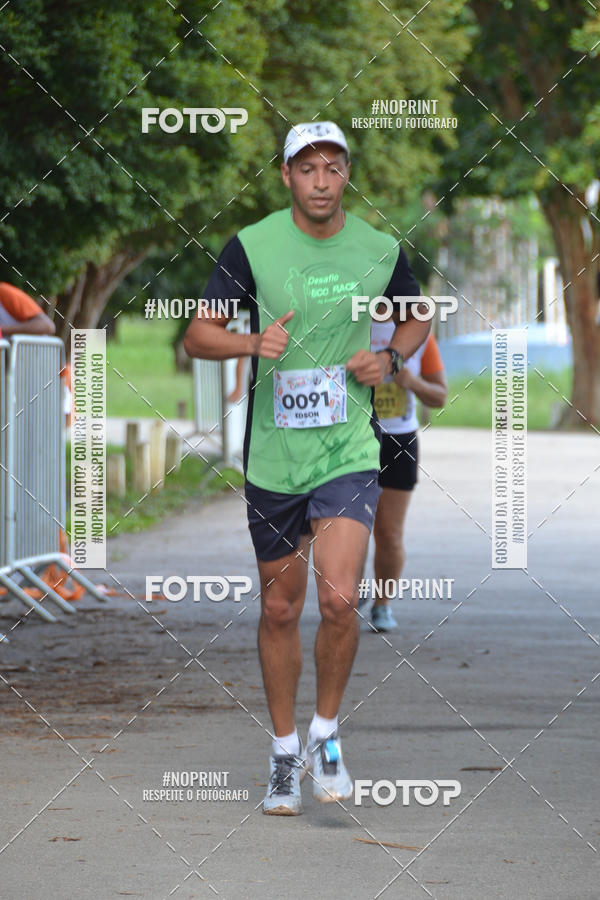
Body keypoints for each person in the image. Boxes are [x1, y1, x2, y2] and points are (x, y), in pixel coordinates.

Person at [184, 121, 430, 816]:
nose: (321, 181)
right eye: (307, 168)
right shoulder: (254, 245)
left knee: (340, 600)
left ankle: (327, 733)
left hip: (349, 447)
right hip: (273, 456)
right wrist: (248, 340)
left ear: (347, 173)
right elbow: (197, 334)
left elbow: (417, 316)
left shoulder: (379, 248)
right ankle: (284, 752)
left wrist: (390, 359)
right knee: (279, 607)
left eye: (333, 167)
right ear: (286, 175)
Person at [367, 328, 447, 632]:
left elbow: (440, 395)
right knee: (349, 531)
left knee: (388, 533)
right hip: (350, 439)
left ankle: (381, 604)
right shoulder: (348, 322)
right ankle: (344, 598)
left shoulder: (419, 335)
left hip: (398, 442)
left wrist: (410, 382)